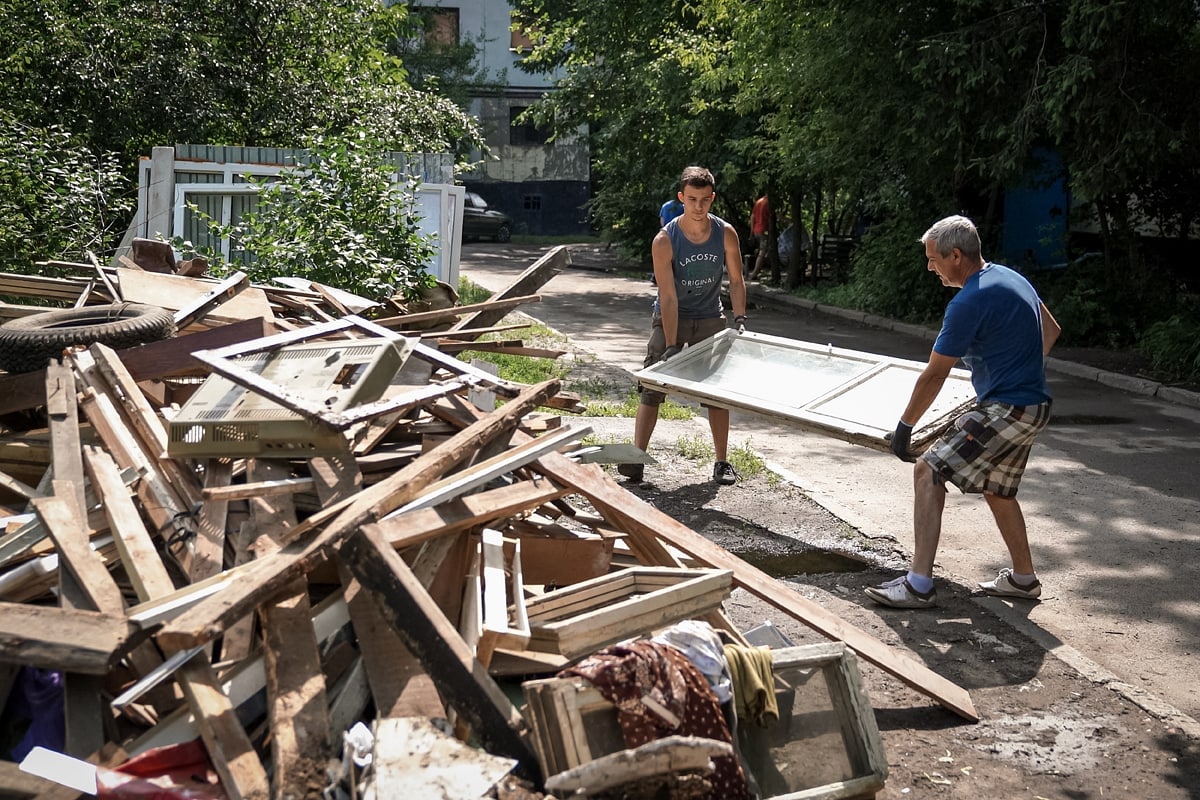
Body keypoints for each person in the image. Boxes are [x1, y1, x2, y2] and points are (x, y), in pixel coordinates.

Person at [865, 214, 1061, 609]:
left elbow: (934, 374)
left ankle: (918, 584)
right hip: (1034, 405)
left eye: (934, 258)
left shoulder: (967, 302)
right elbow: (1051, 329)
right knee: (997, 489)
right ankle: (1023, 580)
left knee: (928, 469)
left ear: (956, 255)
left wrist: (905, 428)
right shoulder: (1010, 277)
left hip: (1007, 408)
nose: (929, 266)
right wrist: (1020, 368)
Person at [619, 166, 749, 486]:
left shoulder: (725, 233)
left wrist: (740, 321)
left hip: (710, 318)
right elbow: (668, 296)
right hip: (671, 316)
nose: (699, 206)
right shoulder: (665, 239)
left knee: (717, 393)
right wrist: (672, 343)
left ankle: (721, 461)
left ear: (712, 198)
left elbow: (736, 280)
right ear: (681, 198)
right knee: (652, 386)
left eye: (705, 200)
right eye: (692, 199)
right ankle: (636, 460)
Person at [748, 193, 770, 280]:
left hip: (756, 230)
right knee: (763, 251)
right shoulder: (769, 203)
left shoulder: (759, 201)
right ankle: (754, 273)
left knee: (762, 250)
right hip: (764, 230)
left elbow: (752, 216)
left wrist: (752, 231)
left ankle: (758, 270)